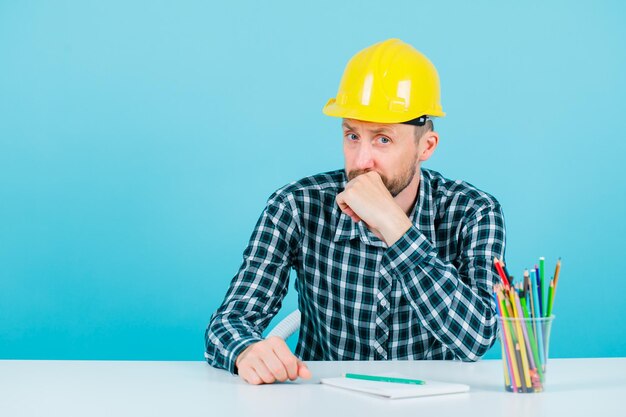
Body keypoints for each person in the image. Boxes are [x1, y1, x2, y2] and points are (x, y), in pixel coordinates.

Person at [204, 39, 506, 385]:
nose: (361, 163)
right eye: (352, 136)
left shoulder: (473, 211)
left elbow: (479, 336)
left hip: (433, 401)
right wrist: (246, 351)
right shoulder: (297, 206)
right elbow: (227, 324)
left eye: (383, 140)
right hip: (322, 401)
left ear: (426, 147)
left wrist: (396, 228)